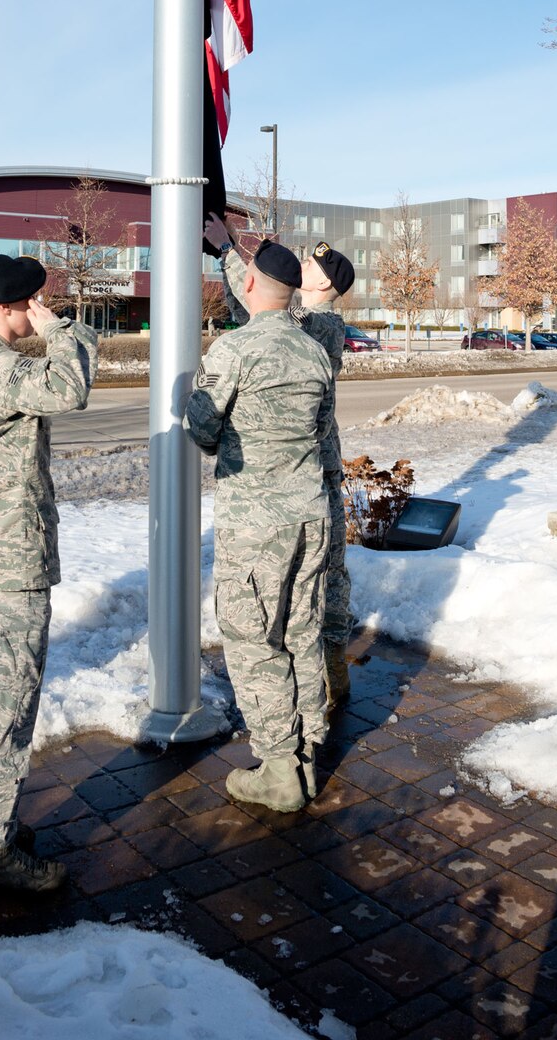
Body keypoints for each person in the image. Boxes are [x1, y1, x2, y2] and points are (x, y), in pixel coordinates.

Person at [0, 253, 97, 892]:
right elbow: (71, 388)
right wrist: (63, 331)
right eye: (34, 300)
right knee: (4, 707)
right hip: (2, 565)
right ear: (10, 307)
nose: (41, 307)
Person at [185, 238, 335, 813]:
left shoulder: (234, 350)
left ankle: (278, 769)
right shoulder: (313, 351)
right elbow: (322, 429)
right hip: (309, 515)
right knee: (301, 634)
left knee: (254, 642)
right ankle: (305, 755)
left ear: (249, 286)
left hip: (256, 524)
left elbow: (202, 429)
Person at [207, 220, 358, 708]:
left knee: (324, 580)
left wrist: (232, 253)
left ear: (321, 285)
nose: (300, 269)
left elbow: (266, 313)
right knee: (320, 577)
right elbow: (256, 311)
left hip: (310, 472)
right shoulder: (306, 324)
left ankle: (327, 682)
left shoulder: (321, 326)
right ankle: (328, 680)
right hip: (310, 470)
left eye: (308, 267)